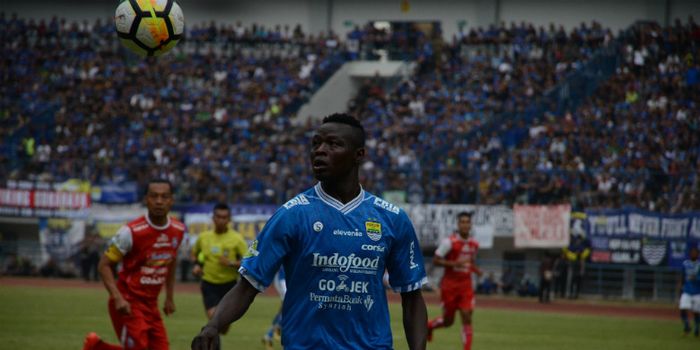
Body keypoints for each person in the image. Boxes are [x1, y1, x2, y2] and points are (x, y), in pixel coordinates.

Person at [191, 113, 428, 350]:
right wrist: (213, 325)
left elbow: (412, 297)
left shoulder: (392, 218)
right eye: (316, 143)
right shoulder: (291, 215)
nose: (320, 150)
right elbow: (246, 287)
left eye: (333, 144)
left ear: (359, 155)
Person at [83, 179, 186, 350]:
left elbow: (171, 260)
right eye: (154, 196)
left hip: (151, 305)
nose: (159, 201)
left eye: (164, 197)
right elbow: (104, 265)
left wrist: (169, 297)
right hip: (128, 302)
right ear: (146, 199)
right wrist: (118, 298)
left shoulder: (178, 230)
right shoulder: (130, 232)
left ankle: (96, 347)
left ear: (171, 200)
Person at [191, 203, 248, 347]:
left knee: (223, 328)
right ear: (213, 218)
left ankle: (209, 333)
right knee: (213, 320)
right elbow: (195, 253)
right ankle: (208, 341)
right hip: (209, 284)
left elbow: (248, 262)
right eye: (218, 217)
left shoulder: (237, 239)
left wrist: (230, 263)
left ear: (229, 219)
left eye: (224, 217)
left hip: (229, 286)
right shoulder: (204, 237)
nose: (221, 220)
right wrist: (197, 265)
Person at [427, 211, 482, 350]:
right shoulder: (449, 242)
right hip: (449, 286)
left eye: (467, 222)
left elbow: (470, 262)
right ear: (458, 224)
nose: (465, 225)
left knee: (467, 315)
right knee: (448, 322)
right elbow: (436, 260)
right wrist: (454, 264)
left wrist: (476, 270)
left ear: (470, 225)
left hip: (466, 285)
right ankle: (430, 325)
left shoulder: (474, 244)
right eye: (462, 222)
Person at [262, 268, 286, 350]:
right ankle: (275, 331)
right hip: (282, 278)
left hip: (289, 278)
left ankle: (269, 335)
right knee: (289, 307)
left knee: (283, 309)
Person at [679, 246, 700, 337]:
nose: (693, 254)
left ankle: (696, 327)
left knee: (696, 312)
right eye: (692, 252)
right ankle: (687, 326)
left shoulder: (699, 265)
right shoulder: (685, 264)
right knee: (683, 308)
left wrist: (696, 278)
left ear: (698, 255)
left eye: (695, 253)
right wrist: (680, 285)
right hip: (686, 290)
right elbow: (682, 276)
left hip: (697, 292)